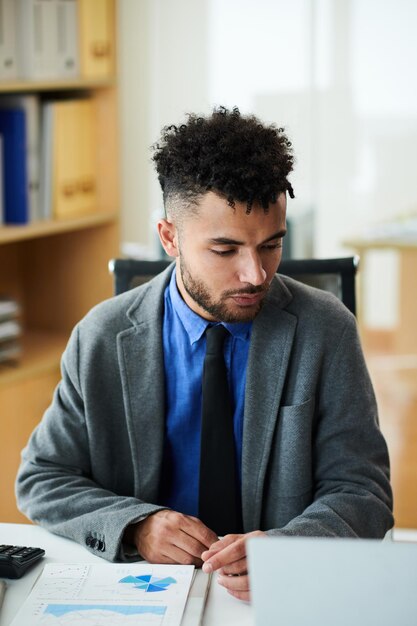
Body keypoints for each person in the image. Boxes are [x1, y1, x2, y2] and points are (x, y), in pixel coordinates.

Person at [16, 106, 393, 602]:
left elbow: (363, 490)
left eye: (271, 245)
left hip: (270, 599)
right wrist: (136, 526)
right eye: (225, 250)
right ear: (170, 237)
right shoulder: (102, 336)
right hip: (145, 592)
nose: (256, 274)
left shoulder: (327, 330)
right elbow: (44, 477)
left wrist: (290, 548)